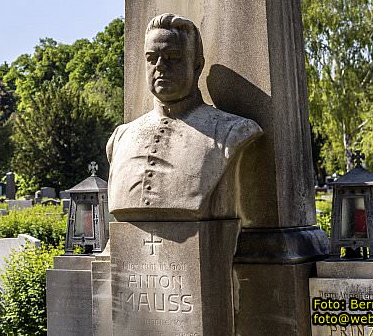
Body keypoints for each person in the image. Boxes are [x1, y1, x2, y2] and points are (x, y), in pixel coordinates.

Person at [106, 13, 262, 221]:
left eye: (172, 57)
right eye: (151, 58)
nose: (160, 65)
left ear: (197, 65)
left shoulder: (232, 132)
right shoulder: (121, 137)